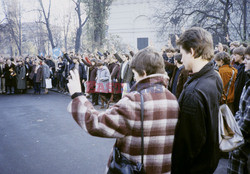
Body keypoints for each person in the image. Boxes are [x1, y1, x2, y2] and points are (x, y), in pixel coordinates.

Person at [67, 47, 179, 173]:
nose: (134, 78)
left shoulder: (134, 100)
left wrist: (77, 96)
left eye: (135, 74)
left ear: (144, 73)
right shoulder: (172, 98)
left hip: (134, 169)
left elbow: (96, 123)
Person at [171, 27, 223, 174]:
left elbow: (187, 146)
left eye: (182, 54)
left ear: (192, 51)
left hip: (194, 168)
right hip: (209, 162)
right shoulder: (214, 76)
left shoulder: (194, 92)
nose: (181, 59)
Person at [227, 45, 250, 174]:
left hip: (243, 146)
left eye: (248, 59)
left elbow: (247, 119)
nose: (245, 61)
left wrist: (233, 134)